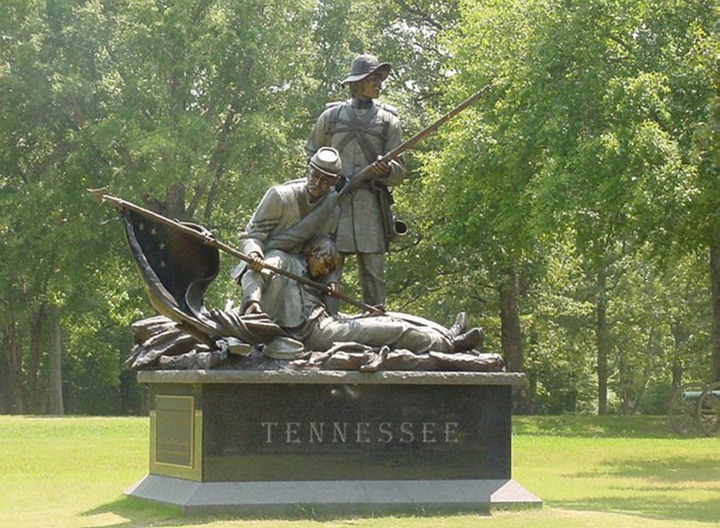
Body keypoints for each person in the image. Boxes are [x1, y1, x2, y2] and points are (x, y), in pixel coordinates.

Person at [240, 235, 482, 355]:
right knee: (391, 330)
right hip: (311, 332)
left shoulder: (317, 280)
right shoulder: (284, 261)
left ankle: (443, 334)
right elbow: (255, 274)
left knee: (387, 319)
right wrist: (253, 303)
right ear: (312, 251)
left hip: (327, 321)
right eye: (326, 261)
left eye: (331, 267)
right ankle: (449, 344)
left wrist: (329, 293)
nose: (327, 269)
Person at [305, 54, 406, 310]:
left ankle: (377, 322)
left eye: (380, 79)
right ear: (356, 83)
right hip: (333, 204)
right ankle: (324, 319)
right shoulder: (330, 118)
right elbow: (311, 155)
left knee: (373, 271)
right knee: (329, 267)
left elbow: (399, 172)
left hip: (370, 205)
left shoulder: (389, 122)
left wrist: (385, 170)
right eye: (373, 79)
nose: (379, 84)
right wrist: (326, 181)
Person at [231, 147, 343, 284]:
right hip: (266, 262)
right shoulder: (280, 197)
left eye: (325, 181)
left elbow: (327, 250)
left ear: (335, 182)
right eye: (314, 175)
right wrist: (254, 255)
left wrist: (331, 281)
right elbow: (251, 236)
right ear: (308, 169)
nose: (317, 183)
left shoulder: (332, 211)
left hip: (301, 273)